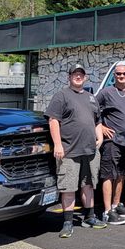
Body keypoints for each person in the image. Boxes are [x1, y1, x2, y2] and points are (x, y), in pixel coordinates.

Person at [45, 63, 106, 238]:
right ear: (69, 77)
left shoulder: (91, 97)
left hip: (90, 151)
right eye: (75, 74)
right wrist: (57, 144)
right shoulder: (61, 96)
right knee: (68, 187)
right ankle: (67, 222)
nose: (78, 76)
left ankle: (90, 217)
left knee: (88, 184)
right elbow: (53, 121)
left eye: (81, 74)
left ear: (85, 77)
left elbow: (97, 120)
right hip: (69, 151)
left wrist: (100, 137)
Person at [95, 63, 125, 225]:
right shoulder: (105, 93)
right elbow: (92, 110)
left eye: (124, 74)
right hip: (111, 141)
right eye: (119, 74)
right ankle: (107, 211)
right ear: (114, 75)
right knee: (108, 174)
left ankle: (116, 204)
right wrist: (102, 127)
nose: (122, 76)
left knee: (121, 174)